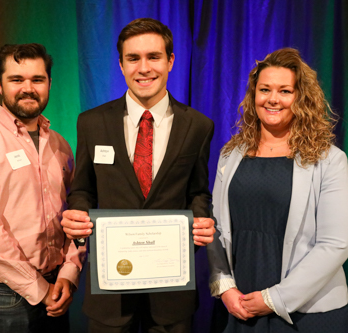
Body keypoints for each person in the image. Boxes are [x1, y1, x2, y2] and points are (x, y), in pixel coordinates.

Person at [61, 18, 216, 333]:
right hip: (110, 294)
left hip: (171, 294)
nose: (144, 68)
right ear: (121, 65)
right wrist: (76, 215)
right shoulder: (91, 122)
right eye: (133, 58)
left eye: (154, 57)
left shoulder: (199, 126)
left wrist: (200, 220)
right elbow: (83, 191)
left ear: (170, 61)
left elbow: (198, 192)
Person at [207, 48, 348, 332]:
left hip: (308, 314)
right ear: (253, 96)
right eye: (264, 89)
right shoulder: (231, 154)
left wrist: (275, 299)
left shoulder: (329, 159)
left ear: (301, 98)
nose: (273, 99)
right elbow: (215, 226)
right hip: (240, 307)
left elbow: (335, 244)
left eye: (285, 91)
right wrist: (224, 286)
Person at [0, 43, 85, 333]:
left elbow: (76, 215)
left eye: (37, 79)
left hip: (56, 291)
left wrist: (69, 274)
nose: (28, 88)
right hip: (0, 301)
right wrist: (39, 289)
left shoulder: (60, 145)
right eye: (16, 80)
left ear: (49, 82)